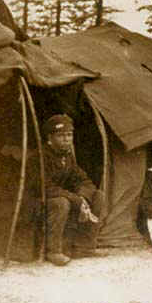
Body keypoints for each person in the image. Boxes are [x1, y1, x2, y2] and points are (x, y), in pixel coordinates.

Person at [28, 114, 106, 266]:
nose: (66, 139)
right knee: (61, 203)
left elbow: (83, 180)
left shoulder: (67, 156)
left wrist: (83, 197)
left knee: (98, 196)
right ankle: (53, 251)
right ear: (50, 138)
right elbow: (44, 187)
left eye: (69, 135)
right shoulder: (39, 157)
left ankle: (84, 246)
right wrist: (75, 199)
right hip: (36, 201)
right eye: (61, 135)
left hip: (59, 197)